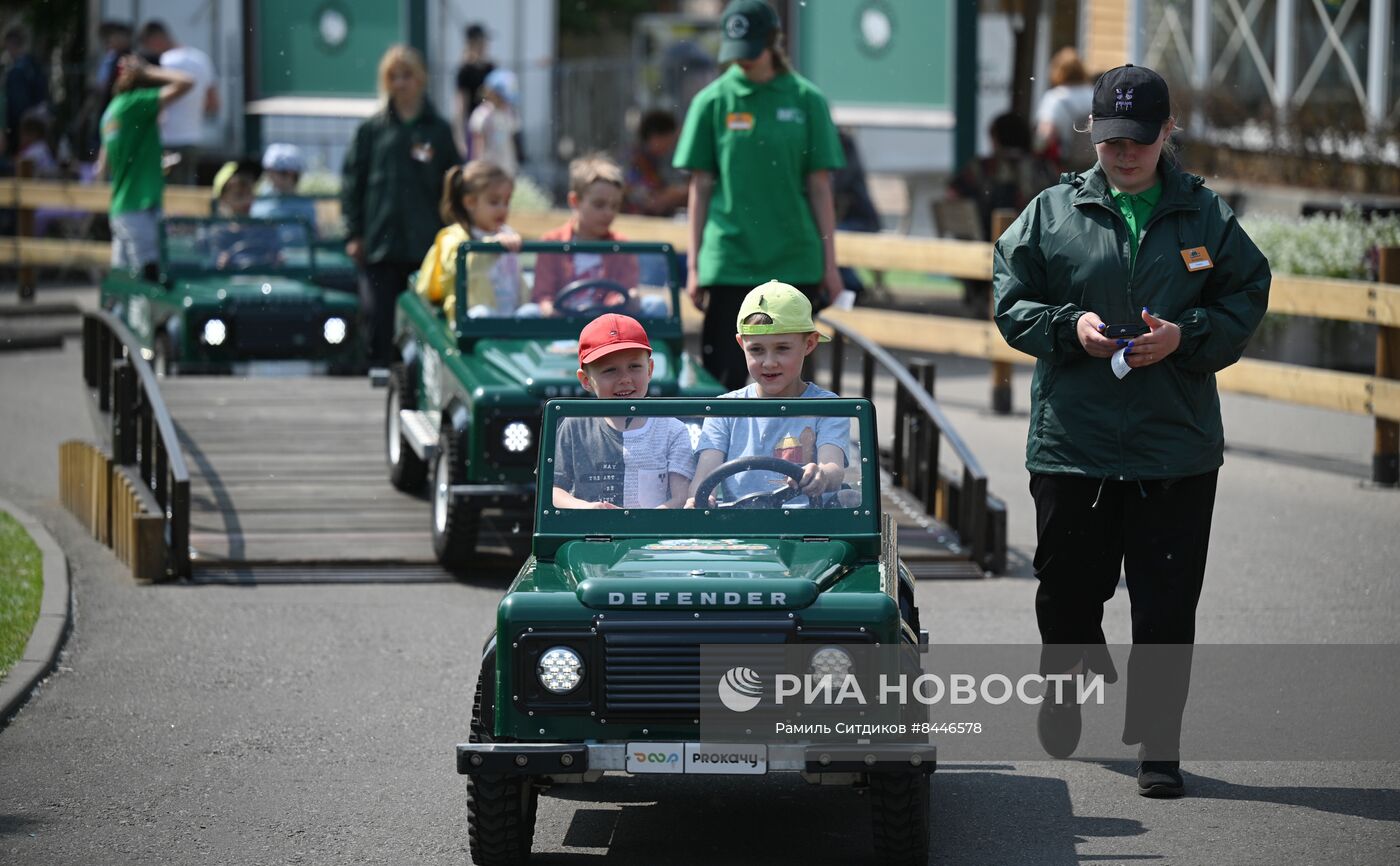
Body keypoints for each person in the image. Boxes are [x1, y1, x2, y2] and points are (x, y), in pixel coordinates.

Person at [992, 64, 1271, 799]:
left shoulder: (1205, 214)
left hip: (1173, 445)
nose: (1124, 155)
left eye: (1139, 142)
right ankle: (1066, 676)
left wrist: (1191, 336)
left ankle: (1159, 745)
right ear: (1092, 132)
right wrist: (1064, 325)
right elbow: (1008, 296)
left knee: (1166, 603)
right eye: (1112, 140)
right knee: (1065, 596)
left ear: (1168, 132)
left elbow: (1249, 288)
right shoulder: (1052, 211)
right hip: (1073, 445)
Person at [673, 0, 845, 390]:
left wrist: (831, 266)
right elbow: (699, 187)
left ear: (774, 42)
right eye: (735, 53)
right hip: (731, 259)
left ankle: (794, 452)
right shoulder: (712, 101)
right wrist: (695, 267)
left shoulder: (806, 100)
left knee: (789, 381)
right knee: (728, 381)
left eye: (751, 51)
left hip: (794, 259)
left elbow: (820, 187)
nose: (742, 62)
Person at [342, 44, 460, 364]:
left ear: (420, 79)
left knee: (424, 315)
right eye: (393, 76)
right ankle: (379, 368)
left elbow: (454, 184)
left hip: (426, 241)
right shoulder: (372, 130)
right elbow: (353, 182)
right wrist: (354, 233)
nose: (401, 83)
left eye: (407, 75)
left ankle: (419, 375)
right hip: (381, 239)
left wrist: (456, 228)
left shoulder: (438, 130)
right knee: (378, 312)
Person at [687, 281, 849, 508]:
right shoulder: (724, 409)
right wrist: (702, 499)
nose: (769, 362)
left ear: (809, 344)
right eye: (756, 349)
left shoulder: (827, 407)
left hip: (808, 529)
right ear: (741, 344)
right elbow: (704, 477)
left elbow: (834, 469)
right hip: (739, 528)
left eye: (782, 348)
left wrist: (821, 474)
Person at [553, 314, 697, 510]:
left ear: (650, 369)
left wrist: (642, 522)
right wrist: (587, 508)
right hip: (590, 534)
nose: (625, 379)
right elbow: (552, 489)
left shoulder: (672, 429)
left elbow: (682, 496)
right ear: (586, 380)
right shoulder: (574, 425)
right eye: (610, 370)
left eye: (634, 367)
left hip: (652, 535)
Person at [98, 54, 193, 280]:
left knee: (123, 285)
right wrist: (148, 70)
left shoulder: (111, 112)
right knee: (148, 282)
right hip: (141, 209)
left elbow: (102, 168)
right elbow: (187, 82)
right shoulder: (135, 104)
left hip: (121, 207)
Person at [414, 160, 524, 323]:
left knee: (531, 311)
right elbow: (463, 270)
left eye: (507, 202)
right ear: (470, 202)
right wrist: (493, 247)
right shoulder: (453, 238)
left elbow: (517, 279)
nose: (503, 209)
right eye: (494, 202)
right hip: (471, 326)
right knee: (483, 314)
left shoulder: (507, 234)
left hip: (510, 321)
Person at [532, 154, 641, 314]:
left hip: (606, 322)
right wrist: (548, 308)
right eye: (599, 204)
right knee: (528, 312)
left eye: (615, 206)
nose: (608, 213)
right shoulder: (552, 242)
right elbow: (543, 294)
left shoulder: (621, 245)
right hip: (562, 321)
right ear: (575, 201)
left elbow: (623, 290)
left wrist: (628, 297)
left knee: (655, 305)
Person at [948, 112, 1058, 242]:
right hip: (1036, 242)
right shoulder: (1043, 167)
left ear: (997, 138)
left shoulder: (984, 167)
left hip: (987, 244)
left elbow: (952, 194)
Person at [137, 21, 217, 184]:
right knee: (187, 193)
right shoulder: (201, 58)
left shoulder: (164, 62)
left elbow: (153, 103)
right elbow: (213, 104)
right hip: (194, 139)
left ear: (155, 40)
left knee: (167, 196)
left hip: (166, 140)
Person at [208, 160, 281, 269]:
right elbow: (208, 269)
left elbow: (278, 259)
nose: (247, 200)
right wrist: (219, 264)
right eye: (239, 194)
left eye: (250, 192)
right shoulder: (214, 235)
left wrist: (278, 261)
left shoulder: (267, 229)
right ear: (223, 199)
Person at [1033, 47, 1096, 173]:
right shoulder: (1094, 93)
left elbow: (1045, 137)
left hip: (1067, 165)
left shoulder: (1055, 98)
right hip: (1095, 161)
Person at [624, 109, 687, 217]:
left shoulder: (656, 159)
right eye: (669, 140)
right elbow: (649, 200)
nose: (670, 146)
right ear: (655, 137)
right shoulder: (639, 160)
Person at [251, 142, 318, 232]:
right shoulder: (259, 201)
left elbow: (314, 234)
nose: (270, 176)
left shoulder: (306, 205)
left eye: (276, 172)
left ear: (292, 174)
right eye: (269, 171)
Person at [3, 27, 48, 159]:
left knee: (24, 159)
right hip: (33, 120)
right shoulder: (32, 64)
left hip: (23, 123)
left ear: (11, 45)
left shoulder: (19, 69)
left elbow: (19, 102)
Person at [453, 23, 494, 160]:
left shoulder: (491, 68)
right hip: (475, 128)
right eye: (480, 41)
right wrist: (460, 138)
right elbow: (460, 106)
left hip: (493, 127)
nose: (484, 45)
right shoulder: (464, 71)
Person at [468, 68, 519, 177]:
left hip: (507, 168)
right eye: (503, 98)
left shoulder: (509, 113)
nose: (505, 102)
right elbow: (478, 144)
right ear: (492, 94)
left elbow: (511, 140)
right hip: (488, 171)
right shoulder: (482, 115)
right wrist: (478, 169)